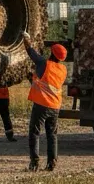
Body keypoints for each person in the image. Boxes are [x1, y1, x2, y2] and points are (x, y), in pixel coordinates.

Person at [24, 35, 67, 172]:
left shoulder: (44, 63)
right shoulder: (63, 69)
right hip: (55, 106)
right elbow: (46, 82)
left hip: (42, 105)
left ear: (52, 54)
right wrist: (32, 78)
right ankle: (51, 164)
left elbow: (31, 52)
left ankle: (34, 164)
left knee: (34, 133)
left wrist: (26, 40)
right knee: (52, 135)